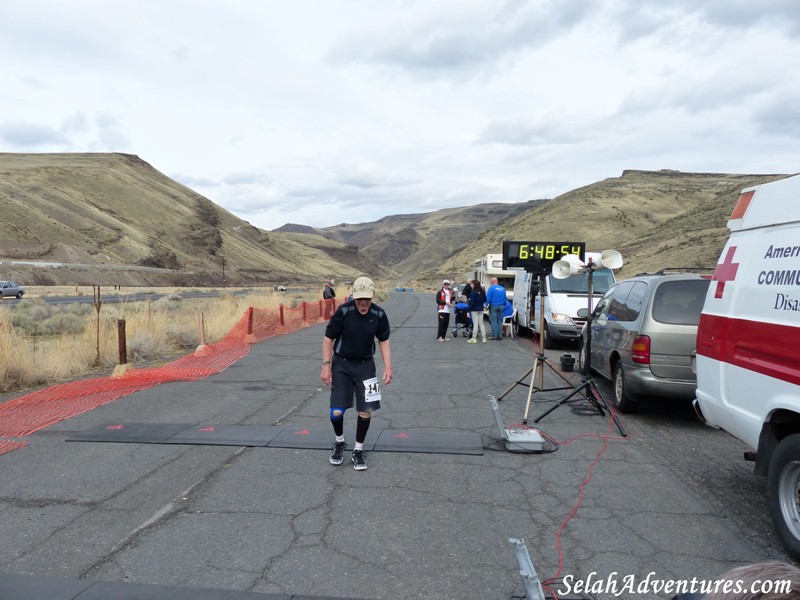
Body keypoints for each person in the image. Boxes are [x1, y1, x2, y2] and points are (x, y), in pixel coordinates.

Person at [321, 276, 392, 471]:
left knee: (366, 410)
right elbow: (328, 339)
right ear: (353, 296)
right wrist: (326, 365)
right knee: (336, 412)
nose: (363, 303)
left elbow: (384, 340)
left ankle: (358, 449)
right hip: (341, 364)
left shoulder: (379, 314)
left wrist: (388, 367)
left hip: (366, 366)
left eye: (367, 299)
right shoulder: (344, 311)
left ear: (373, 296)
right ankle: (339, 441)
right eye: (359, 299)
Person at [467, 279, 487, 344]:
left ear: (474, 284)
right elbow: (485, 299)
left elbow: (471, 302)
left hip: (474, 310)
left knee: (475, 324)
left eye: (472, 284)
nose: (471, 285)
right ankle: (484, 338)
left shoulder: (473, 292)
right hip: (481, 309)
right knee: (481, 324)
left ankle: (474, 338)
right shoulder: (482, 291)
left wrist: (468, 310)